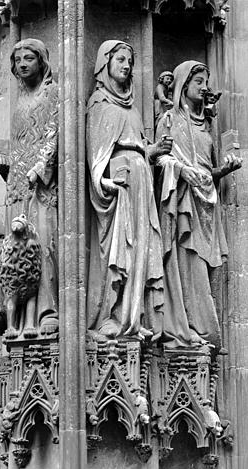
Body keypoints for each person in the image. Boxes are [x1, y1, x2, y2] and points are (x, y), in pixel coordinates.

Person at [86, 40, 172, 341]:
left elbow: (137, 146)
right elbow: (96, 155)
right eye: (120, 59)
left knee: (140, 251)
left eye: (130, 62)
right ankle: (111, 317)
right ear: (105, 64)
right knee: (118, 251)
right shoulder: (99, 104)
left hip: (140, 187)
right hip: (118, 190)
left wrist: (154, 150)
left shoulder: (133, 111)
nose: (126, 66)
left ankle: (134, 315)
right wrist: (103, 182)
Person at [156, 60, 242, 349]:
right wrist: (181, 170)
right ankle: (184, 326)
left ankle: (203, 329)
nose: (204, 87)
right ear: (183, 86)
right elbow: (160, 158)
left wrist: (224, 170)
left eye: (205, 81)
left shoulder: (206, 128)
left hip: (206, 206)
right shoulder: (169, 120)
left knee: (207, 267)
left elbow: (208, 171)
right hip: (182, 203)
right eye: (198, 82)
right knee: (185, 263)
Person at [0, 39, 59, 338]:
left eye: (28, 58)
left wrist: (40, 167)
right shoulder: (18, 101)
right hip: (18, 186)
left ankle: (47, 311)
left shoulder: (52, 94)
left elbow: (54, 138)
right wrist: (7, 164)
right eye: (17, 60)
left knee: (43, 246)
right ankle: (7, 312)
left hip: (43, 186)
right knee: (14, 250)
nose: (22, 64)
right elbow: (21, 144)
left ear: (41, 61)